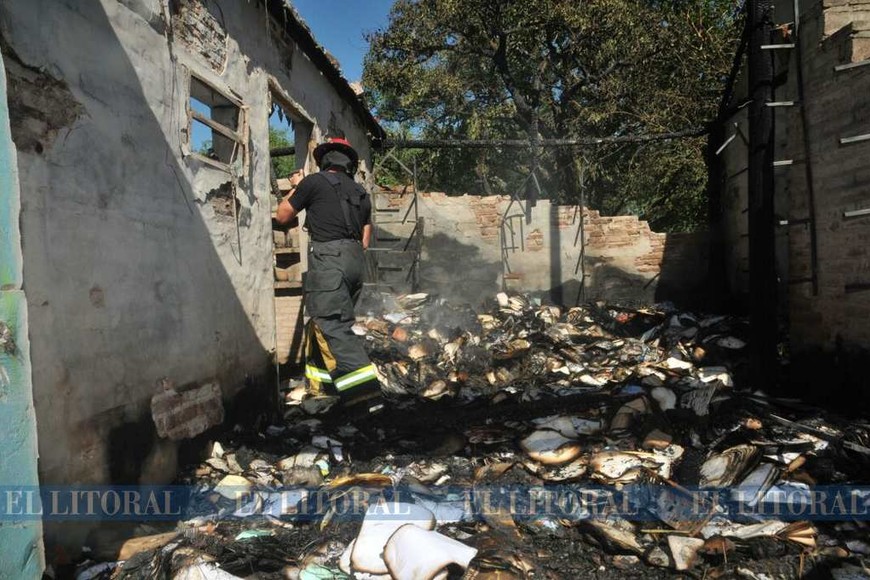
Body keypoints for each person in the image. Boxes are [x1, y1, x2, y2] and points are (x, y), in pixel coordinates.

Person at [275, 132, 381, 408]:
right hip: (355, 261)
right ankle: (322, 388)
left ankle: (365, 394)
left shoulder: (313, 182)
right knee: (321, 323)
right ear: (349, 164)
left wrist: (296, 187)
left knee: (332, 324)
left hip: (329, 260)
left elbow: (282, 215)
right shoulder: (360, 193)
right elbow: (365, 238)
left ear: (324, 161)